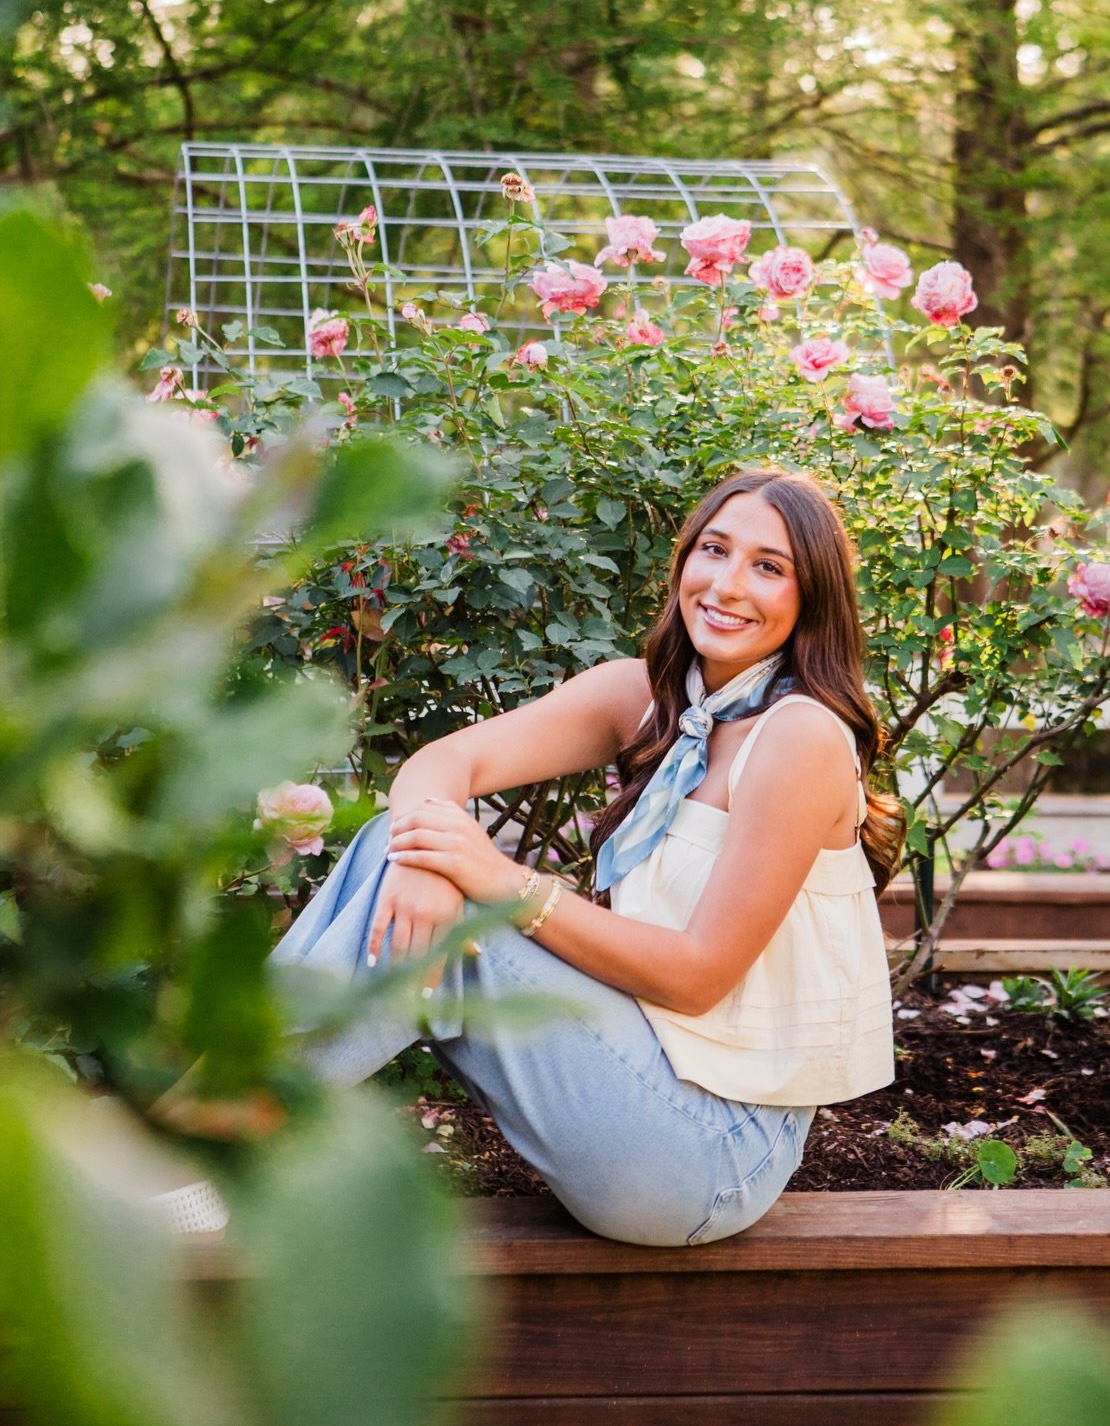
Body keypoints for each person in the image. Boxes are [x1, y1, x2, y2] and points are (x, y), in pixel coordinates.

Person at [273, 467, 904, 1246]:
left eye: (769, 567)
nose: (728, 584)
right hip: (633, 1078)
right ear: (684, 562)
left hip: (713, 1151)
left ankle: (214, 1139)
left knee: (453, 887)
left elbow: (700, 975)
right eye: (714, 549)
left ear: (811, 601)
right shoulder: (642, 696)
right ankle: (211, 1126)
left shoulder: (799, 737)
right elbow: (438, 767)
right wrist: (422, 864)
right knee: (397, 839)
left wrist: (501, 882)